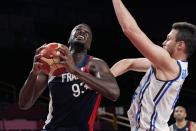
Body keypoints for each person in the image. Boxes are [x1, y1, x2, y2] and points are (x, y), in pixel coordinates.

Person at [110, 0, 196, 130]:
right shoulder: (168, 65)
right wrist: (105, 79)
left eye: (168, 39)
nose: (163, 42)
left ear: (180, 45)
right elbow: (128, 63)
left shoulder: (170, 65)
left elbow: (129, 29)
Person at [18, 23, 120, 131]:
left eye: (86, 33)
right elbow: (24, 104)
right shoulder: (51, 66)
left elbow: (114, 93)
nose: (81, 32)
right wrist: (33, 74)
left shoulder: (95, 64)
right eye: (78, 30)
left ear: (89, 44)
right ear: (69, 39)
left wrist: (75, 71)